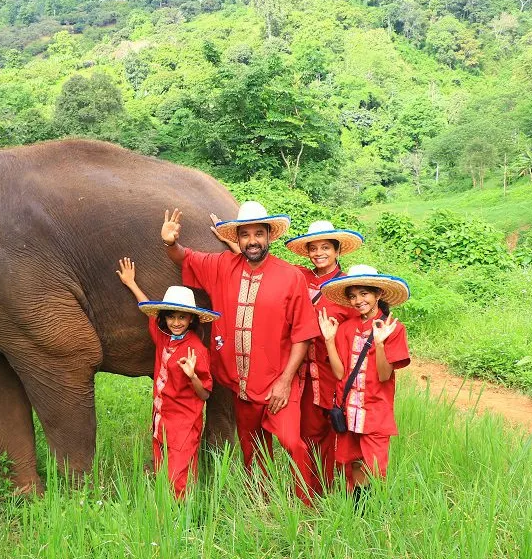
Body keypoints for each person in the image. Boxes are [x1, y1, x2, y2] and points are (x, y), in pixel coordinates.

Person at [162, 202, 320, 498]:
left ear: (269, 236)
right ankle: (260, 502)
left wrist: (285, 381)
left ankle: (308, 505)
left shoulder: (290, 277)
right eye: (245, 235)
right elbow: (184, 258)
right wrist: (171, 241)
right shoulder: (222, 265)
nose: (252, 241)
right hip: (242, 383)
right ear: (238, 239)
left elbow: (303, 334)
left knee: (291, 442)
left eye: (258, 233)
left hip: (278, 382)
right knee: (251, 447)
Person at [116, 257, 216, 498]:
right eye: (171, 317)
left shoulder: (197, 351)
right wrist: (131, 283)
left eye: (182, 317)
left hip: (184, 423)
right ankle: (168, 519)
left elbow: (205, 393)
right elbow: (149, 313)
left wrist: (192, 376)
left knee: (178, 480)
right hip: (161, 419)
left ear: (191, 318)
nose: (176, 322)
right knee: (164, 473)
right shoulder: (163, 337)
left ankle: (183, 524)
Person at [317, 264, 410, 505]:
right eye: (353, 295)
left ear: (378, 293)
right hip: (349, 411)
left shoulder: (393, 328)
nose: (358, 300)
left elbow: (383, 375)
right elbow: (339, 373)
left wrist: (380, 344)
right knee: (354, 463)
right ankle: (357, 512)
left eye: (364, 293)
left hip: (375, 411)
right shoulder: (346, 328)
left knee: (375, 468)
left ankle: (375, 514)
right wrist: (329, 340)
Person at [283, 221, 364, 496]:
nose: (319, 253)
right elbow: (269, 270)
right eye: (313, 248)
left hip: (334, 374)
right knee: (306, 435)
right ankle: (308, 494)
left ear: (337, 250)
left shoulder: (346, 289)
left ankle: (341, 493)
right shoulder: (300, 277)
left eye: (325, 248)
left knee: (338, 434)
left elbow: (358, 332)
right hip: (302, 374)